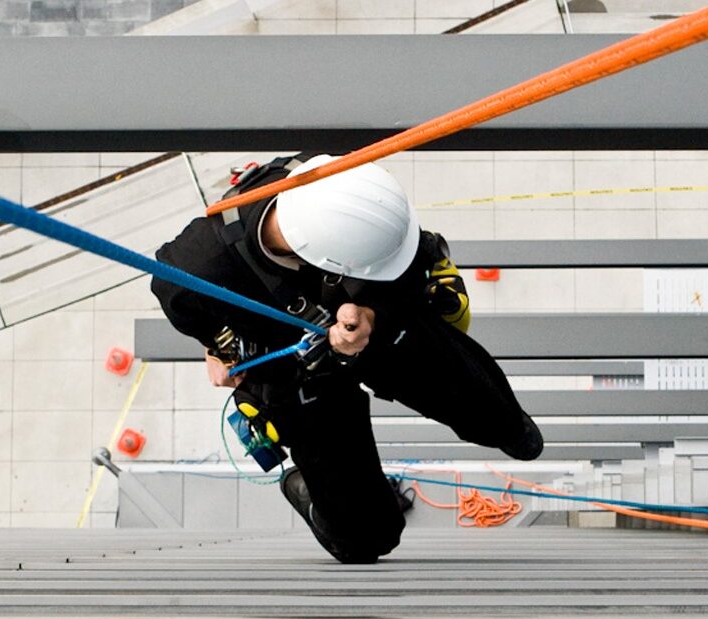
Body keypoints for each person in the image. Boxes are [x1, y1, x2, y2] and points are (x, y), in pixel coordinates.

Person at [151, 154, 543, 564]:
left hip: (374, 320)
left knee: (502, 420)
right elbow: (178, 300)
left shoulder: (344, 186)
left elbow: (406, 264)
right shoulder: (195, 268)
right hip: (296, 368)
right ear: (325, 263)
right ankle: (311, 489)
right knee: (366, 539)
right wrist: (217, 350)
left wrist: (371, 311)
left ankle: (508, 430)